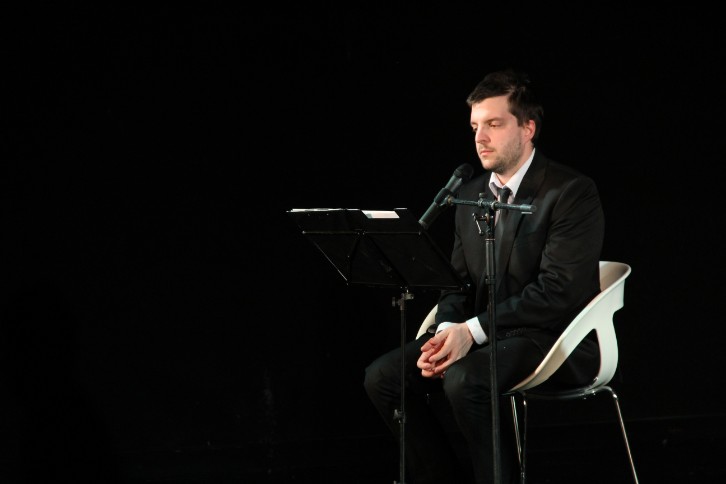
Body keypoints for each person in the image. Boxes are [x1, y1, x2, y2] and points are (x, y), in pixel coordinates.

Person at [363, 68, 605, 484]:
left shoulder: (570, 192)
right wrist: (447, 331)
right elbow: (457, 282)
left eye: (494, 124)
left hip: (551, 337)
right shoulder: (469, 194)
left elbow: (558, 292)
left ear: (528, 128)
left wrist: (471, 332)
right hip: (487, 335)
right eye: (475, 126)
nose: (480, 137)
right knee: (383, 378)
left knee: (465, 379)